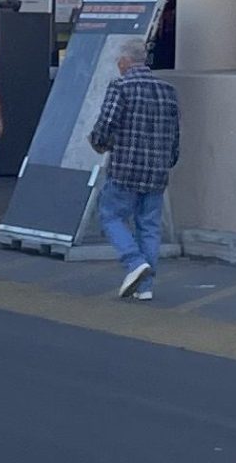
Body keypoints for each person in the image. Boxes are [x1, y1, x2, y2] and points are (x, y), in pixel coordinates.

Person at [86, 38, 179, 300]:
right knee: (148, 226)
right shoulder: (167, 90)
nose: (118, 65)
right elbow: (175, 133)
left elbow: (107, 122)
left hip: (126, 167)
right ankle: (145, 288)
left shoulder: (121, 86)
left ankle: (134, 261)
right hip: (157, 170)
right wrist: (169, 159)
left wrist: (98, 143)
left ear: (126, 61)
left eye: (119, 61)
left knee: (110, 216)